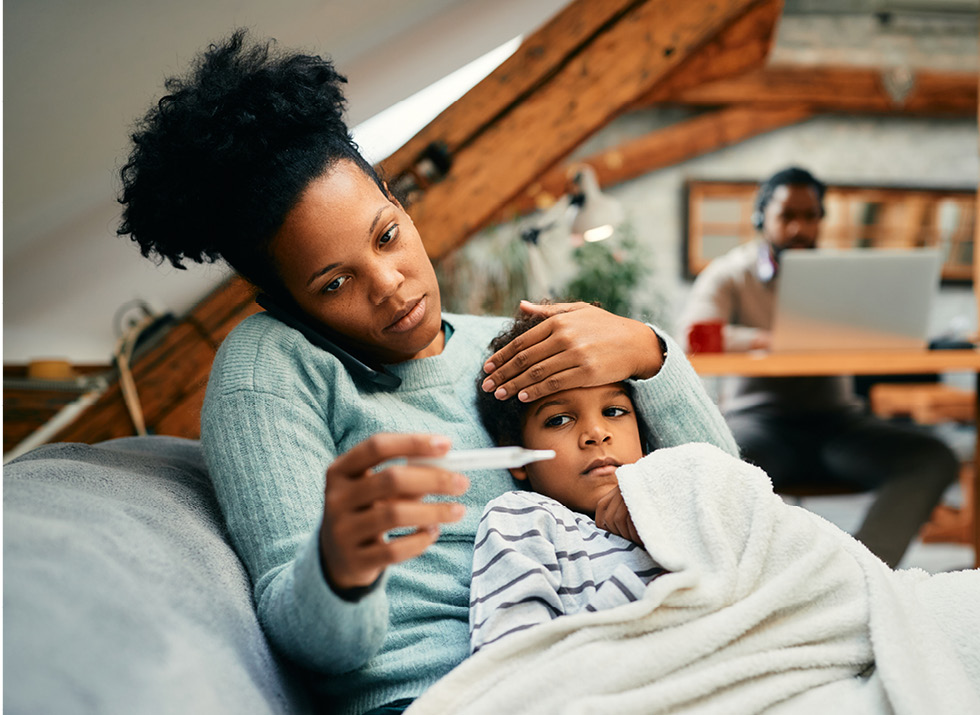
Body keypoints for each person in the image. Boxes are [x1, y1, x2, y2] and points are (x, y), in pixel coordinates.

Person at [117, 30, 738, 715]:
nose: (389, 285)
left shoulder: (502, 344)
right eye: (333, 284)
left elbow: (726, 503)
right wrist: (338, 564)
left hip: (599, 663)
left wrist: (649, 354)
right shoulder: (270, 365)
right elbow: (314, 636)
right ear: (283, 302)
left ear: (401, 202)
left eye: (386, 234)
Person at [676, 166, 957, 568]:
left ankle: (857, 569)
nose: (799, 228)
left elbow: (884, 331)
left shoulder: (844, 276)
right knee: (715, 465)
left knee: (933, 458)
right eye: (787, 216)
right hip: (759, 427)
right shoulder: (729, 274)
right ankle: (749, 577)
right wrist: (770, 341)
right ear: (761, 218)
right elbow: (694, 338)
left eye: (810, 216)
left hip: (840, 428)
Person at [470, 311, 667, 654]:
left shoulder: (674, 495)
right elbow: (508, 660)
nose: (596, 433)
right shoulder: (524, 518)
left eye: (614, 411)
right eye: (559, 419)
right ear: (516, 452)